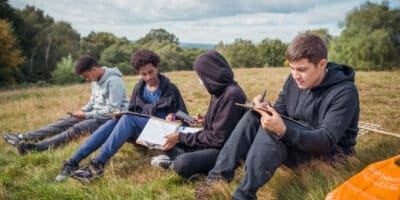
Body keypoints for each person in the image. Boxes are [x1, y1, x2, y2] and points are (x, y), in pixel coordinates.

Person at [207, 33, 360, 200]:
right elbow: (281, 111)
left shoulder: (345, 93)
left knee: (272, 131)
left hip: (330, 155)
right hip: (299, 138)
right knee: (254, 117)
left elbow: (326, 140)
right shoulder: (294, 79)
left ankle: (242, 196)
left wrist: (283, 131)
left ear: (322, 64)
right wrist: (265, 109)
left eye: (302, 69)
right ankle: (216, 180)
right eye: (292, 68)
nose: (295, 75)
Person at [55, 49, 188, 182]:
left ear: (157, 67)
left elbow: (185, 116)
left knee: (128, 118)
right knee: (115, 121)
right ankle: (73, 162)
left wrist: (173, 116)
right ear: (138, 73)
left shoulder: (170, 88)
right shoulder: (139, 88)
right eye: (143, 74)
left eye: (151, 72)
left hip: (163, 132)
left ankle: (97, 165)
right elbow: (133, 110)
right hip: (143, 132)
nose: (148, 77)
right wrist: (119, 115)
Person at [2, 55, 129, 155]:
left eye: (87, 76)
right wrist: (81, 112)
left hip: (110, 119)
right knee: (65, 121)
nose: (87, 79)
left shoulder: (114, 82)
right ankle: (23, 137)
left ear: (94, 69)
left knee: (77, 128)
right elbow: (93, 102)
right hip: (96, 114)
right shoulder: (95, 81)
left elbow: (113, 109)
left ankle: (38, 147)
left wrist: (86, 115)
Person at [150, 50, 247, 179]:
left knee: (183, 163)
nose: (201, 80)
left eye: (201, 76)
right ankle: (182, 157)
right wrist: (206, 119)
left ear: (210, 73)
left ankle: (175, 163)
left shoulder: (232, 95)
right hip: (213, 143)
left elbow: (218, 138)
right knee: (168, 140)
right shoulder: (219, 90)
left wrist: (180, 137)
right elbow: (225, 121)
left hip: (225, 150)